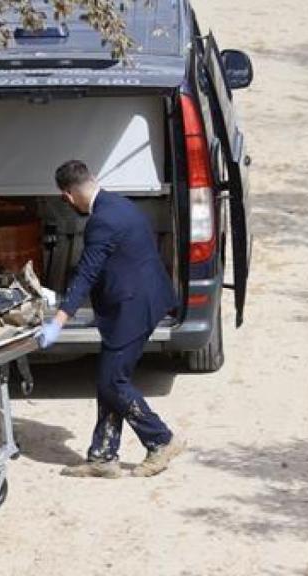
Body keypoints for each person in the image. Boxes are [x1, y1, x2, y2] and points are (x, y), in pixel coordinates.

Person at [36, 160, 186, 479]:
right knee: (109, 378)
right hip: (143, 301)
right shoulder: (120, 204)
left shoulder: (101, 221)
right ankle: (103, 456)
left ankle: (161, 439)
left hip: (132, 308)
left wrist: (59, 320)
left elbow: (87, 272)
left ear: (67, 195)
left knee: (112, 381)